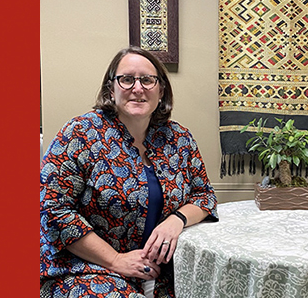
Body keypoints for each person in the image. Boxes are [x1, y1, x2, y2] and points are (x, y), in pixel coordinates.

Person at [40, 47, 219, 298]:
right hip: (84, 269)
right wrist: (115, 259)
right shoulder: (80, 133)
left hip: (160, 272)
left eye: (147, 80)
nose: (138, 88)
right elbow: (52, 210)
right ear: (110, 89)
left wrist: (175, 220)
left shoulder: (180, 139)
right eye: (127, 79)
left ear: (161, 90)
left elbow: (204, 196)